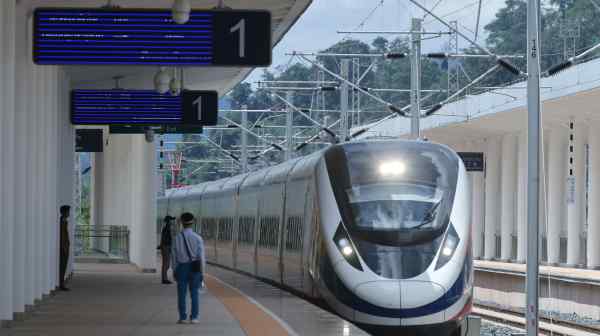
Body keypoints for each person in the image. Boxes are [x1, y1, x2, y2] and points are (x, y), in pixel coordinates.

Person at [172, 212, 205, 324]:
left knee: (181, 294)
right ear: (192, 222)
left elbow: (174, 257)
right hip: (195, 267)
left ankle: (182, 317)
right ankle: (194, 317)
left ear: (181, 223)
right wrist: (202, 273)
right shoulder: (198, 238)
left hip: (181, 267)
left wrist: (174, 270)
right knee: (194, 292)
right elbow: (201, 258)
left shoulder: (177, 238)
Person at [159, 215, 176, 284]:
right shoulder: (168, 228)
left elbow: (163, 238)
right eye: (171, 220)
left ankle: (164, 278)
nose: (172, 221)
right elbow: (170, 239)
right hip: (166, 247)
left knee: (166, 263)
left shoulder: (165, 228)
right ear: (169, 221)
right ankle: (164, 279)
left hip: (165, 246)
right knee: (166, 263)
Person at [59, 205, 71, 291]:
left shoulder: (64, 221)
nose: (69, 213)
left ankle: (62, 283)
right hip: (63, 247)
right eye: (68, 211)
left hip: (65, 246)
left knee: (64, 266)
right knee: (62, 266)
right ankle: (61, 284)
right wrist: (64, 247)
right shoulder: (62, 221)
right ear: (64, 212)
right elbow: (62, 236)